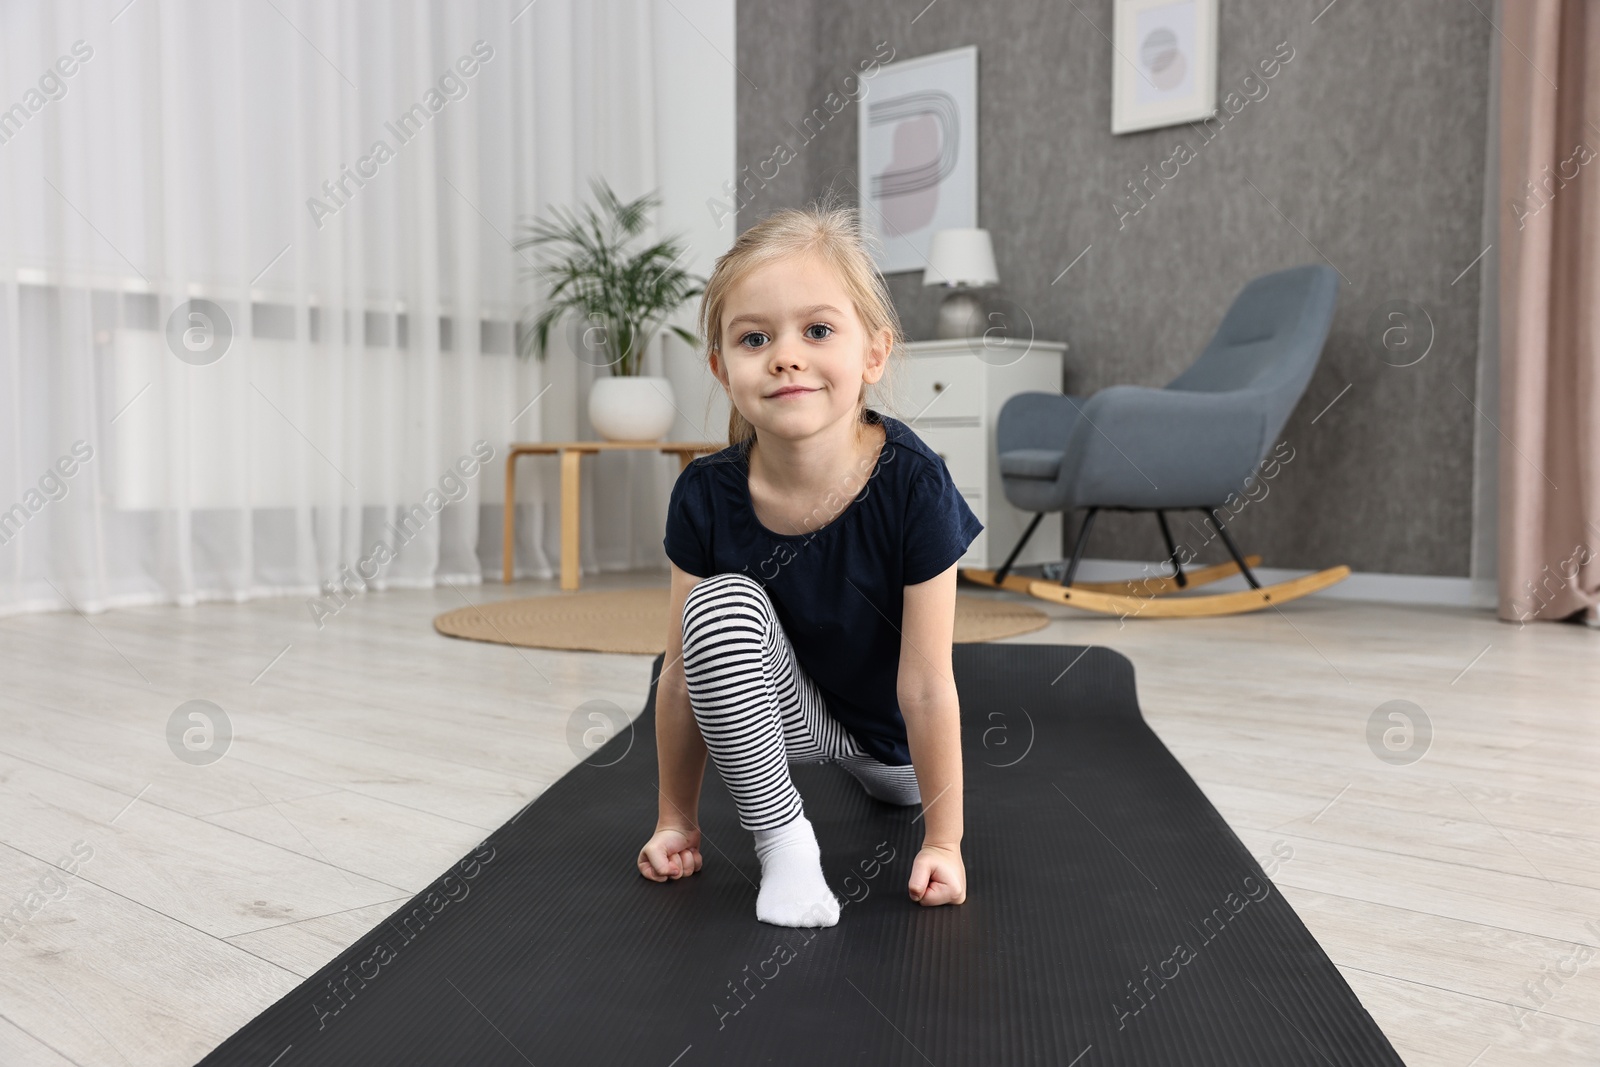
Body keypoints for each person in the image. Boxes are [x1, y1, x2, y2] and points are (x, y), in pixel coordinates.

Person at [634, 195, 983, 928]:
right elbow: (678, 677)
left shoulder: (916, 484)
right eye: (755, 338)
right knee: (715, 609)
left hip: (889, 743)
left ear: (873, 352)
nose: (786, 354)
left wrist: (944, 841)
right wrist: (675, 818)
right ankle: (786, 843)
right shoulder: (704, 492)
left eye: (818, 330)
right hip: (791, 715)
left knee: (898, 782)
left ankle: (889, 791)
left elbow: (926, 682)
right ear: (722, 368)